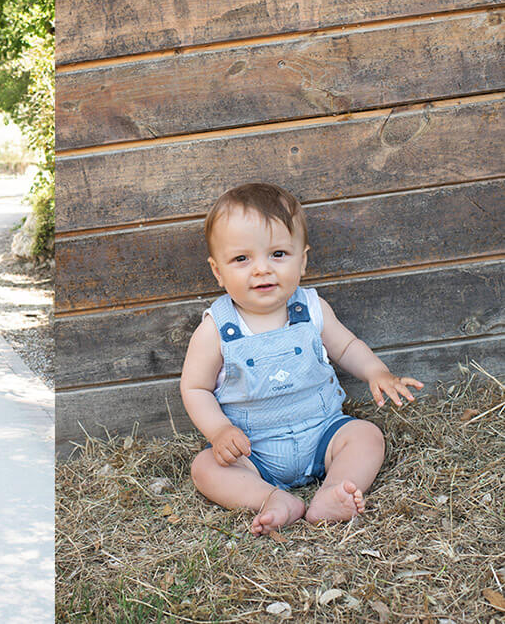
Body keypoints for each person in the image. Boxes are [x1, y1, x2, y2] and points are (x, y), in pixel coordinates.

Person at [180, 183, 423, 536]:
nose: (262, 269)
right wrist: (218, 431)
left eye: (278, 254)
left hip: (323, 434)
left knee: (367, 436)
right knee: (205, 468)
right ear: (218, 271)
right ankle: (272, 499)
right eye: (241, 259)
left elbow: (346, 347)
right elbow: (195, 387)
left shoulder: (312, 309)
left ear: (303, 259)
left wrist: (377, 371)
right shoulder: (215, 329)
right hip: (253, 451)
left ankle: (333, 492)